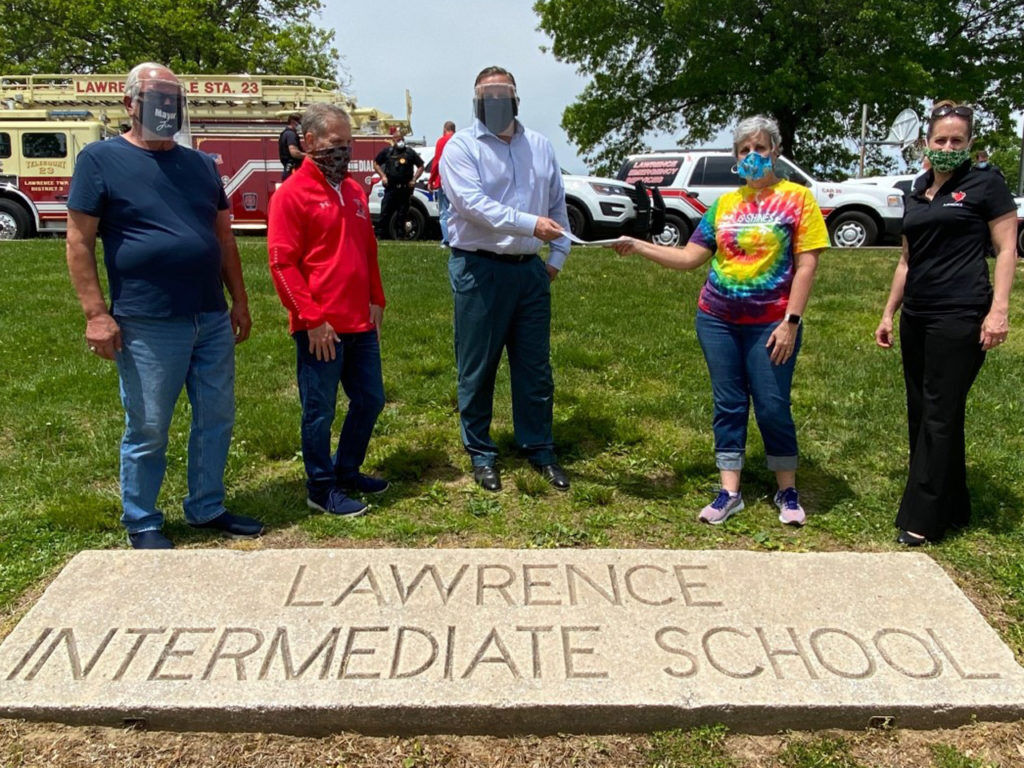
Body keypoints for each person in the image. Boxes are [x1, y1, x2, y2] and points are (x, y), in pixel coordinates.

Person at [65, 62, 262, 550]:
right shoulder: (99, 160)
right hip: (146, 319)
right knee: (150, 425)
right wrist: (96, 313)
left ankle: (206, 506)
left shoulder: (199, 165)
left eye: (174, 99)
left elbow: (223, 237)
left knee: (216, 417)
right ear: (130, 104)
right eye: (157, 99)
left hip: (210, 315)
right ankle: (142, 519)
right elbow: (78, 241)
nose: (167, 108)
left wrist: (238, 298)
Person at [612, 115, 828, 527]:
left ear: (775, 152)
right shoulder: (724, 206)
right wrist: (639, 245)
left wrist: (791, 322)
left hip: (772, 323)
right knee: (728, 405)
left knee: (772, 405)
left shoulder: (798, 200)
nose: (752, 157)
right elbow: (690, 257)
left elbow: (807, 266)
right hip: (717, 320)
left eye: (760, 149)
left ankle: (787, 487)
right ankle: (730, 491)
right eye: (744, 150)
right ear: (736, 157)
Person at [875, 101, 1017, 546]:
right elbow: (906, 258)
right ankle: (955, 504)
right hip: (918, 313)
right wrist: (888, 311)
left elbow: (1008, 249)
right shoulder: (918, 189)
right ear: (926, 143)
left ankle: (923, 517)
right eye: (941, 140)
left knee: (940, 411)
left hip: (960, 314)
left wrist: (999, 309)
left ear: (970, 144)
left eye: (958, 140)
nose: (949, 147)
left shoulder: (985, 183)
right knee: (923, 410)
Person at [440, 66, 571, 493]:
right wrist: (530, 225)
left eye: (503, 93)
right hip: (480, 269)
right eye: (486, 94)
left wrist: (558, 255)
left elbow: (556, 202)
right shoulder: (460, 148)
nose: (495, 100)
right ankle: (480, 451)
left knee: (535, 367)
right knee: (477, 366)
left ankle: (539, 446)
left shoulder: (540, 146)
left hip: (530, 272)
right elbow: (473, 205)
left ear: (517, 98)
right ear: (475, 100)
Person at [268, 102, 388, 518]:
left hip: (360, 322)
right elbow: (282, 264)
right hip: (320, 327)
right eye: (336, 144)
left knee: (370, 399)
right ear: (310, 141)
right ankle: (320, 487)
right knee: (319, 411)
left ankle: (347, 470)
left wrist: (377, 297)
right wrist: (311, 318)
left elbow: (367, 250)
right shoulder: (291, 195)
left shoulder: (354, 191)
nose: (344, 152)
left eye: (349, 144)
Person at [373, 130, 424, 238]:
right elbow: (376, 163)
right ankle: (380, 235)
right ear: (393, 140)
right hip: (391, 188)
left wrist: (414, 179)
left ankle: (401, 235)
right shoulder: (388, 152)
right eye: (398, 139)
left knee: (402, 213)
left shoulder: (409, 152)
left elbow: (421, 166)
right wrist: (383, 176)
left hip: (405, 188)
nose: (400, 141)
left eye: (401, 139)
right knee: (385, 212)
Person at [429, 121, 456, 246]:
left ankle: (447, 240)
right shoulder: (459, 140)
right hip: (457, 182)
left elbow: (437, 163)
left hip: (443, 181)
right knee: (456, 213)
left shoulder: (441, 141)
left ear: (445, 129)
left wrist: (431, 180)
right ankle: (456, 239)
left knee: (444, 213)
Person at [279, 113, 304, 181]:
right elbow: (294, 153)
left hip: (288, 170)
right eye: (300, 123)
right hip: (293, 170)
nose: (300, 125)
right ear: (293, 121)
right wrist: (309, 156)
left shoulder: (285, 133)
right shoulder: (291, 134)